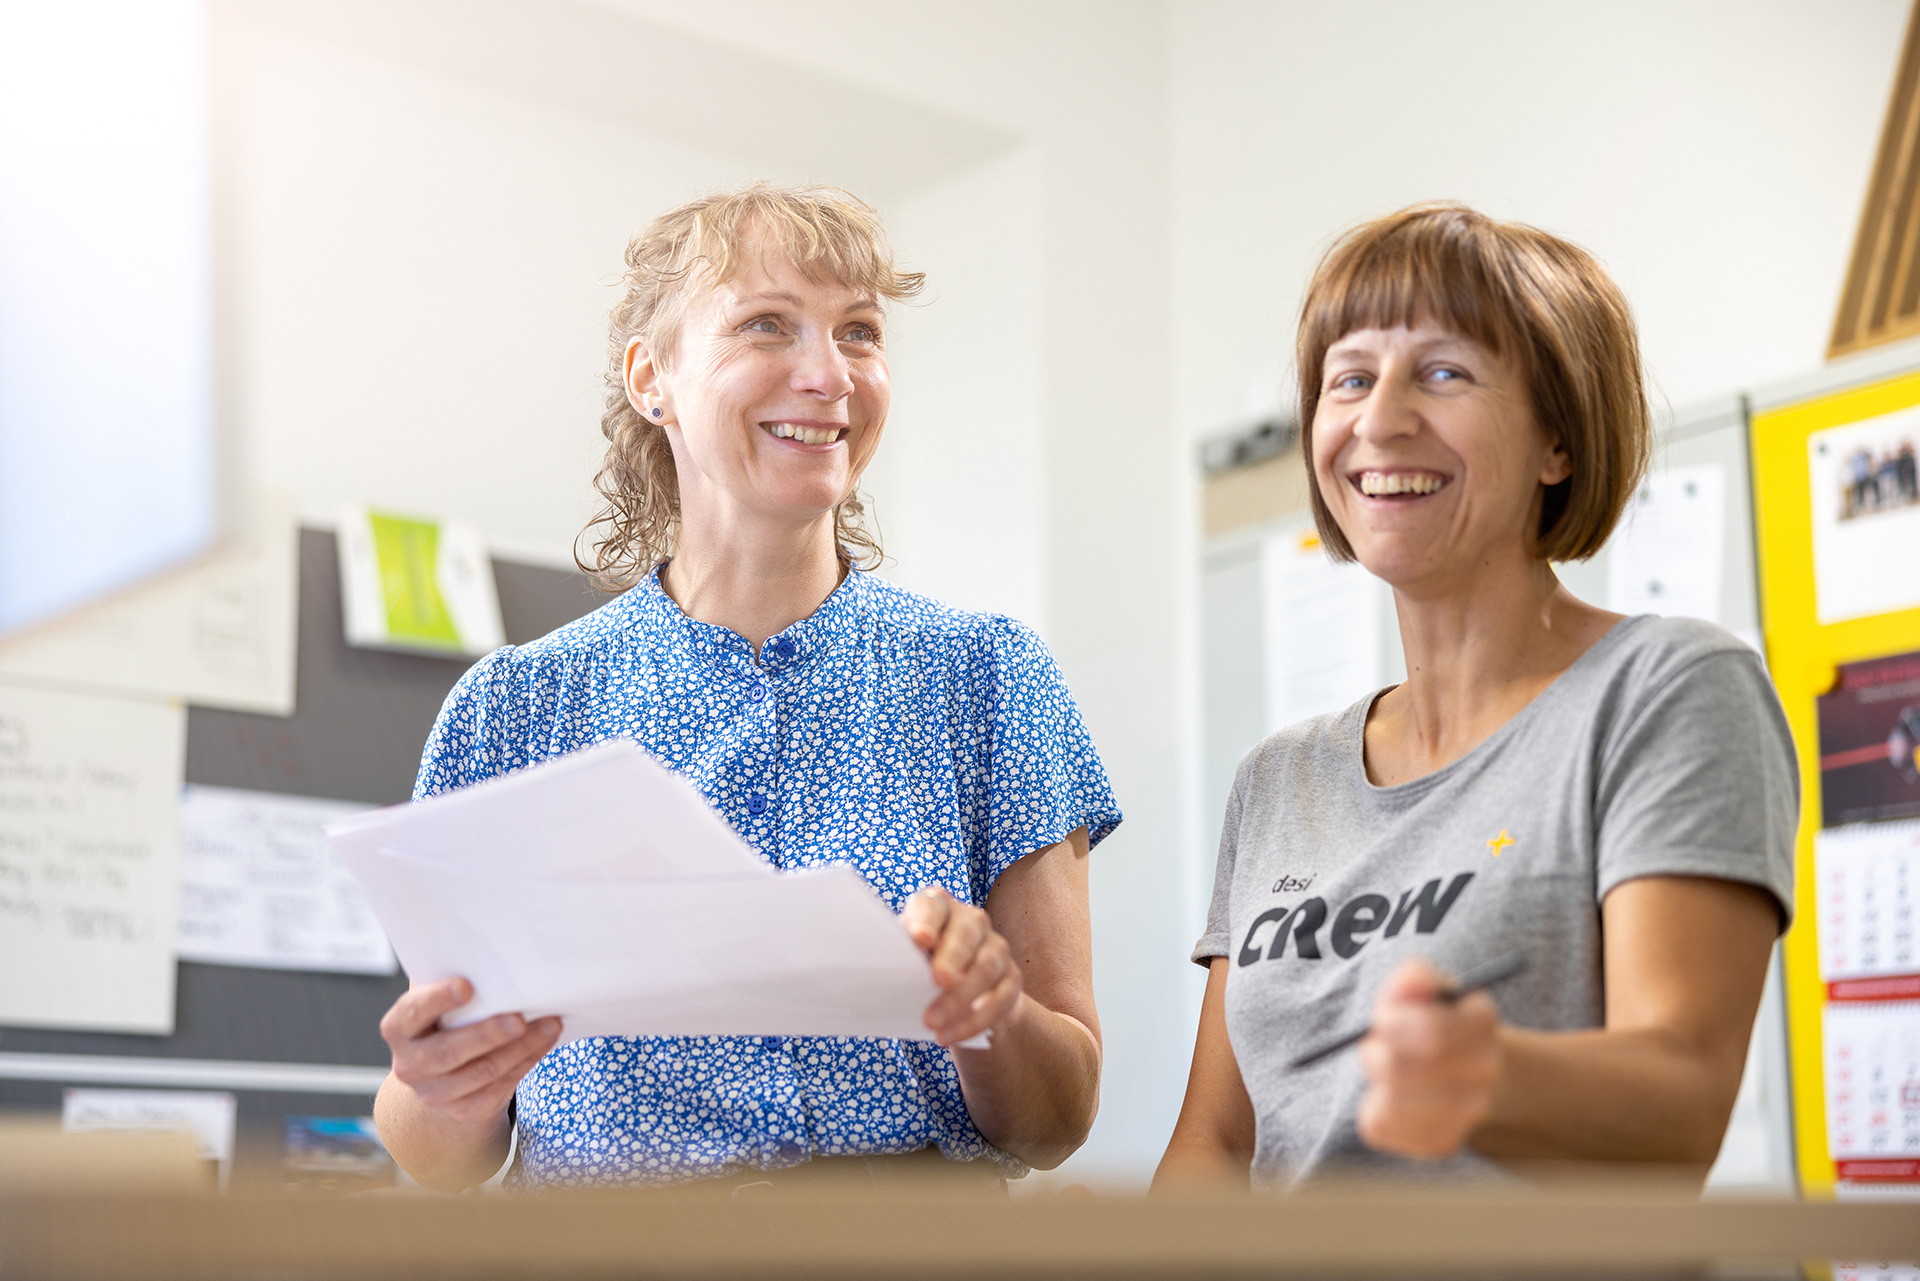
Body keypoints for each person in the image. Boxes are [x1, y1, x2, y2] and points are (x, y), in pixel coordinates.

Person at [372, 183, 1120, 1192]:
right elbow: (439, 1153)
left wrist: (993, 1019)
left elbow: (1058, 1120)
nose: (830, 376)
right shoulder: (516, 709)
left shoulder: (986, 677)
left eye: (859, 333)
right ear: (653, 379)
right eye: (768, 324)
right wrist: (439, 1086)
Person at [1155, 205, 1796, 1188]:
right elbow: (1218, 1143)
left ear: (1559, 443)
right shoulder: (1279, 779)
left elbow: (1687, 1091)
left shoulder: (1667, 690)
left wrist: (1488, 1076)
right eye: (1351, 378)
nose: (1379, 420)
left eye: (1444, 372)